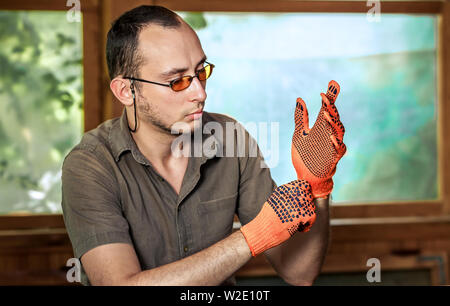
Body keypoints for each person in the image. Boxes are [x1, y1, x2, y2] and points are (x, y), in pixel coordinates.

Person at [61, 5, 346, 286]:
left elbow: (299, 273)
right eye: (177, 81)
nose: (199, 93)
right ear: (127, 91)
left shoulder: (232, 138)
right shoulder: (90, 165)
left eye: (201, 72)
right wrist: (252, 238)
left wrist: (317, 187)